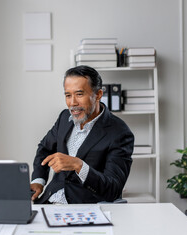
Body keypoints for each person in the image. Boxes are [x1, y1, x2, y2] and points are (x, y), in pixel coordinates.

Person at [30, 65, 134, 204]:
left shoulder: (120, 133)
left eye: (79, 94)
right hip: (49, 202)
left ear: (98, 95)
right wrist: (38, 181)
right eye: (68, 95)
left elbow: (113, 189)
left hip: (84, 209)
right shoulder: (64, 117)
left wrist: (79, 166)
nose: (72, 103)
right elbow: (44, 148)